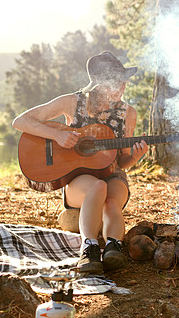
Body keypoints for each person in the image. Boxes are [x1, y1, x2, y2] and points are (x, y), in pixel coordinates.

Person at [12, 51, 148, 273]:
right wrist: (56, 135)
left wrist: (135, 156)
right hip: (78, 179)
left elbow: (122, 162)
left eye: (124, 81)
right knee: (98, 186)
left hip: (112, 174)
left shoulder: (127, 113)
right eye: (117, 82)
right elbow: (21, 121)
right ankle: (89, 249)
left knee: (111, 200)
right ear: (100, 84)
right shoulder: (72, 102)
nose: (123, 87)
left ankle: (114, 246)